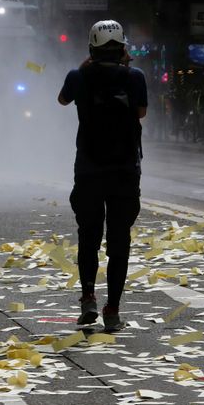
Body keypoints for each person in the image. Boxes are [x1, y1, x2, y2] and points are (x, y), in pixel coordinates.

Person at [58, 20, 148, 332]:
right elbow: (140, 113)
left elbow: (63, 100)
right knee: (119, 240)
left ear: (91, 48)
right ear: (123, 47)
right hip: (124, 171)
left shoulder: (78, 75)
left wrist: (85, 68)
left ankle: (88, 299)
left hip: (88, 170)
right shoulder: (134, 76)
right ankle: (113, 310)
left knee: (88, 236)